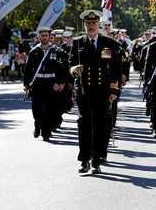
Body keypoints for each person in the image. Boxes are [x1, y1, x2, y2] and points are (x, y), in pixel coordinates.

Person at [69, 10, 121, 174]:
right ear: (84, 25)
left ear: (98, 24)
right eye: (88, 23)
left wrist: (113, 90)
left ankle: (97, 159)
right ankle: (84, 160)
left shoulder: (109, 43)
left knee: (101, 125)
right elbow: (69, 64)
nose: (91, 26)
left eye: (94, 23)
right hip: (84, 90)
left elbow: (115, 68)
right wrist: (73, 69)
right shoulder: (78, 43)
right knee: (84, 124)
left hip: (103, 91)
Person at [24, 26, 67, 141]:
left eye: (46, 35)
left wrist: (60, 82)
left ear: (49, 37)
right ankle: (37, 125)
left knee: (50, 108)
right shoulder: (34, 51)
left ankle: (46, 132)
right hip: (38, 83)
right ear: (39, 37)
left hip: (51, 83)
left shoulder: (57, 51)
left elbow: (62, 68)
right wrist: (27, 84)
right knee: (36, 109)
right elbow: (28, 69)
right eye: (42, 35)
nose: (44, 37)